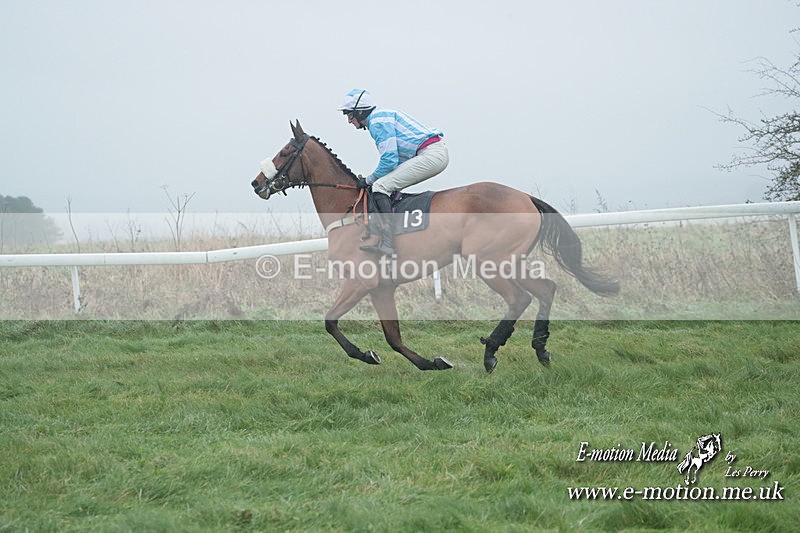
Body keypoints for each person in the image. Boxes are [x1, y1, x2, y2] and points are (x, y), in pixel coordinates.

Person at [338, 89, 449, 256]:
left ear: (360, 112)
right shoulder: (380, 116)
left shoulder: (376, 122)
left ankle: (388, 243)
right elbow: (393, 161)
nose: (349, 121)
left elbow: (389, 160)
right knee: (384, 183)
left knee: (380, 186)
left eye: (349, 115)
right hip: (431, 152)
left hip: (431, 153)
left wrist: (368, 180)